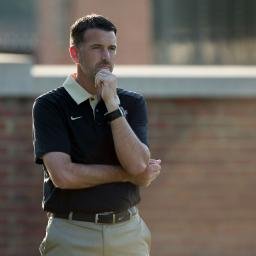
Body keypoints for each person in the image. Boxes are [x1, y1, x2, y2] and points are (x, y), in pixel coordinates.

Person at [32, 14, 161, 256]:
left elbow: (138, 163)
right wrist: (127, 175)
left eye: (112, 48)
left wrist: (112, 105)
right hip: (72, 234)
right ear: (74, 53)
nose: (106, 57)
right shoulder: (50, 106)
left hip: (128, 233)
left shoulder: (131, 102)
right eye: (97, 48)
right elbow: (64, 175)